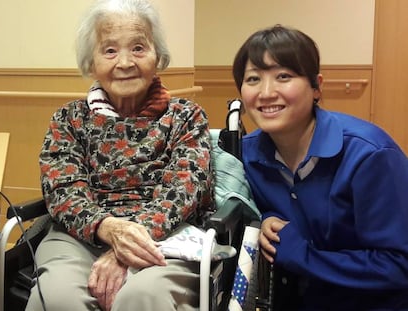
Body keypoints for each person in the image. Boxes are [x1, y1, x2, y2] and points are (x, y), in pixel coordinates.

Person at [25, 0, 214, 310]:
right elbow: (62, 191)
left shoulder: (185, 116)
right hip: (79, 238)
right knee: (59, 297)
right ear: (91, 62)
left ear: (158, 56)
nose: (125, 62)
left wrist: (125, 245)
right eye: (110, 51)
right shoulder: (68, 119)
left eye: (138, 48)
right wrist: (108, 229)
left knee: (143, 296)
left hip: (164, 236)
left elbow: (184, 191)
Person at [232, 24, 408, 310]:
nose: (265, 92)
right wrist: (268, 218)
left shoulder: (370, 154)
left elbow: (399, 265)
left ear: (316, 87)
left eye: (283, 76)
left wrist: (301, 255)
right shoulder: (248, 154)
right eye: (253, 79)